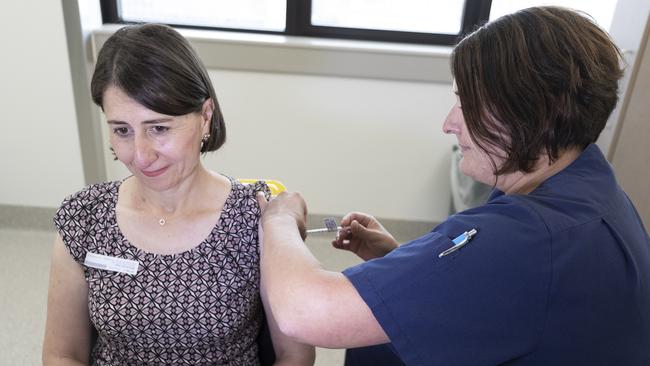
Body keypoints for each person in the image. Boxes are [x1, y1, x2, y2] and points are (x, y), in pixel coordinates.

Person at [257, 6, 650, 366]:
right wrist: (398, 263)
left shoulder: (527, 239)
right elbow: (498, 297)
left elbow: (304, 312)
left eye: (465, 102)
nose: (448, 122)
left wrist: (279, 219)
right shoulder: (591, 189)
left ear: (525, 110)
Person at [42, 24, 314, 365]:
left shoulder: (257, 218)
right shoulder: (83, 217)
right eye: (122, 131)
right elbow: (61, 354)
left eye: (159, 128)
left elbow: (295, 356)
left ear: (205, 116)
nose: (141, 155)